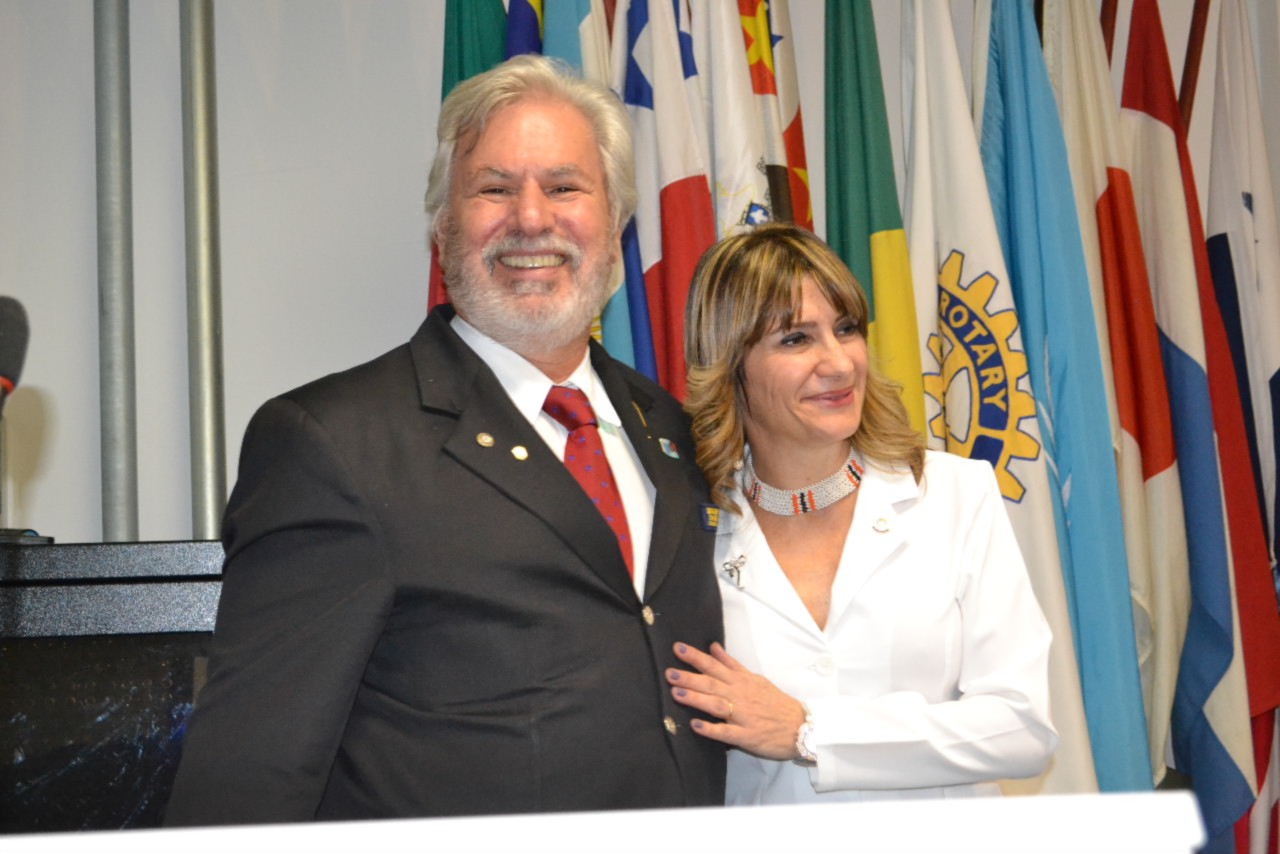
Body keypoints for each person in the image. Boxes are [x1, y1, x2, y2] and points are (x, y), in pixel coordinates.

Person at [165, 55, 724, 825]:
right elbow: (251, 765)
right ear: (441, 224)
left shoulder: (674, 429)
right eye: (494, 188)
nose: (532, 218)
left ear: (617, 221)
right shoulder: (333, 444)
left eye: (565, 187)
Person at [667, 223, 1057, 803]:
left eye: (846, 329)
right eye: (796, 339)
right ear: (731, 367)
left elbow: (1023, 730)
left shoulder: (955, 492)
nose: (840, 363)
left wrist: (809, 732)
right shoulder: (686, 527)